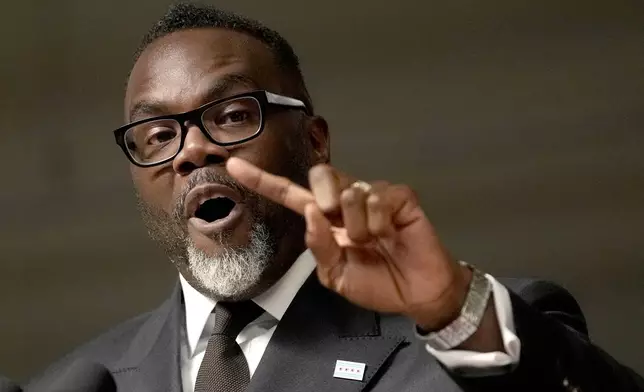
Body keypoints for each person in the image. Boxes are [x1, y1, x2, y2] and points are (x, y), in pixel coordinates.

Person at [27, 3, 644, 392]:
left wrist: (451, 308)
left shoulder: (458, 339)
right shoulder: (78, 380)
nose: (190, 151)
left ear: (314, 142)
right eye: (158, 134)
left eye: (234, 114)